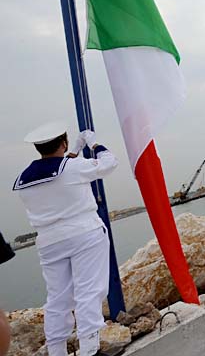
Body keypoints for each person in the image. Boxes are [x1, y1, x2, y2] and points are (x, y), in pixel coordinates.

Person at [13, 123, 119, 356]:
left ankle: (57, 351)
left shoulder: (24, 179)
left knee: (57, 299)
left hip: (49, 241)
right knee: (88, 292)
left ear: (38, 148)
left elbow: (58, 174)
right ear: (64, 143)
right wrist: (93, 142)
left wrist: (72, 154)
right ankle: (90, 349)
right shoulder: (73, 167)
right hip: (84, 234)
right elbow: (109, 162)